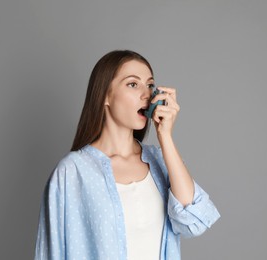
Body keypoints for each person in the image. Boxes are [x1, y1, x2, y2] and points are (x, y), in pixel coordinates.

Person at [34, 50, 220, 260]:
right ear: (105, 95)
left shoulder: (161, 160)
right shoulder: (72, 172)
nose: (146, 94)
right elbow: (52, 253)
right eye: (133, 84)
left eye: (150, 85)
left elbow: (193, 220)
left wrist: (165, 136)